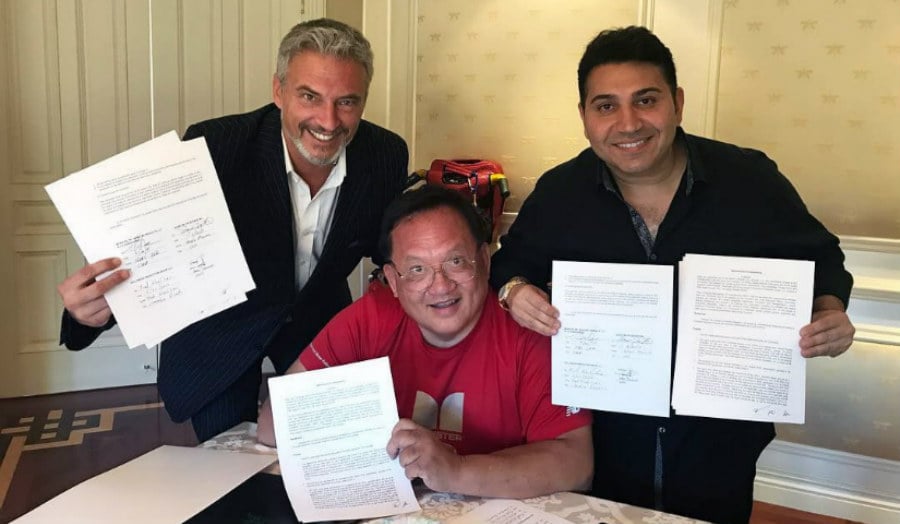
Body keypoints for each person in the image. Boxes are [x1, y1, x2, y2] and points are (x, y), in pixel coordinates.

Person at [490, 26, 855, 523]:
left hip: (720, 441)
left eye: (646, 100)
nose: (628, 123)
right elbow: (509, 265)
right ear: (584, 117)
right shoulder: (560, 193)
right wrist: (515, 292)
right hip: (603, 438)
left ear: (677, 103)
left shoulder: (749, 181)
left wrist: (829, 311)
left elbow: (822, 259)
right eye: (606, 105)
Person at [55, 19, 409, 442]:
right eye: (309, 96)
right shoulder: (214, 146)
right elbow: (155, 248)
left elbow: (390, 248)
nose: (328, 121)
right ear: (278, 91)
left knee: (328, 450)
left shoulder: (385, 154)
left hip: (316, 322)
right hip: (224, 332)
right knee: (228, 466)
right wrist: (89, 312)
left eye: (347, 102)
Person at [257, 185, 593, 499]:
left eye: (455, 261)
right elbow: (273, 426)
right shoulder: (370, 318)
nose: (441, 286)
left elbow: (577, 463)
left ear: (485, 261)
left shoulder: (528, 332)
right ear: (393, 280)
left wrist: (457, 471)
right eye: (417, 269)